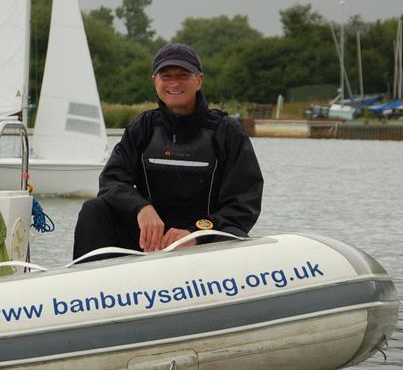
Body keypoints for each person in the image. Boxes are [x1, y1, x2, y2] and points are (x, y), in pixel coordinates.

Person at [73, 43, 263, 259]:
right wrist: (141, 208)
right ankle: (88, 285)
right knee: (94, 209)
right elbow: (111, 181)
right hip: (149, 239)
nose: (174, 83)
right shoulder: (142, 127)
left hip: (205, 239)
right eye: (166, 76)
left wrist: (196, 234)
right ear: (155, 81)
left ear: (199, 80)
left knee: (233, 234)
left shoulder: (227, 131)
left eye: (183, 75)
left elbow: (245, 203)